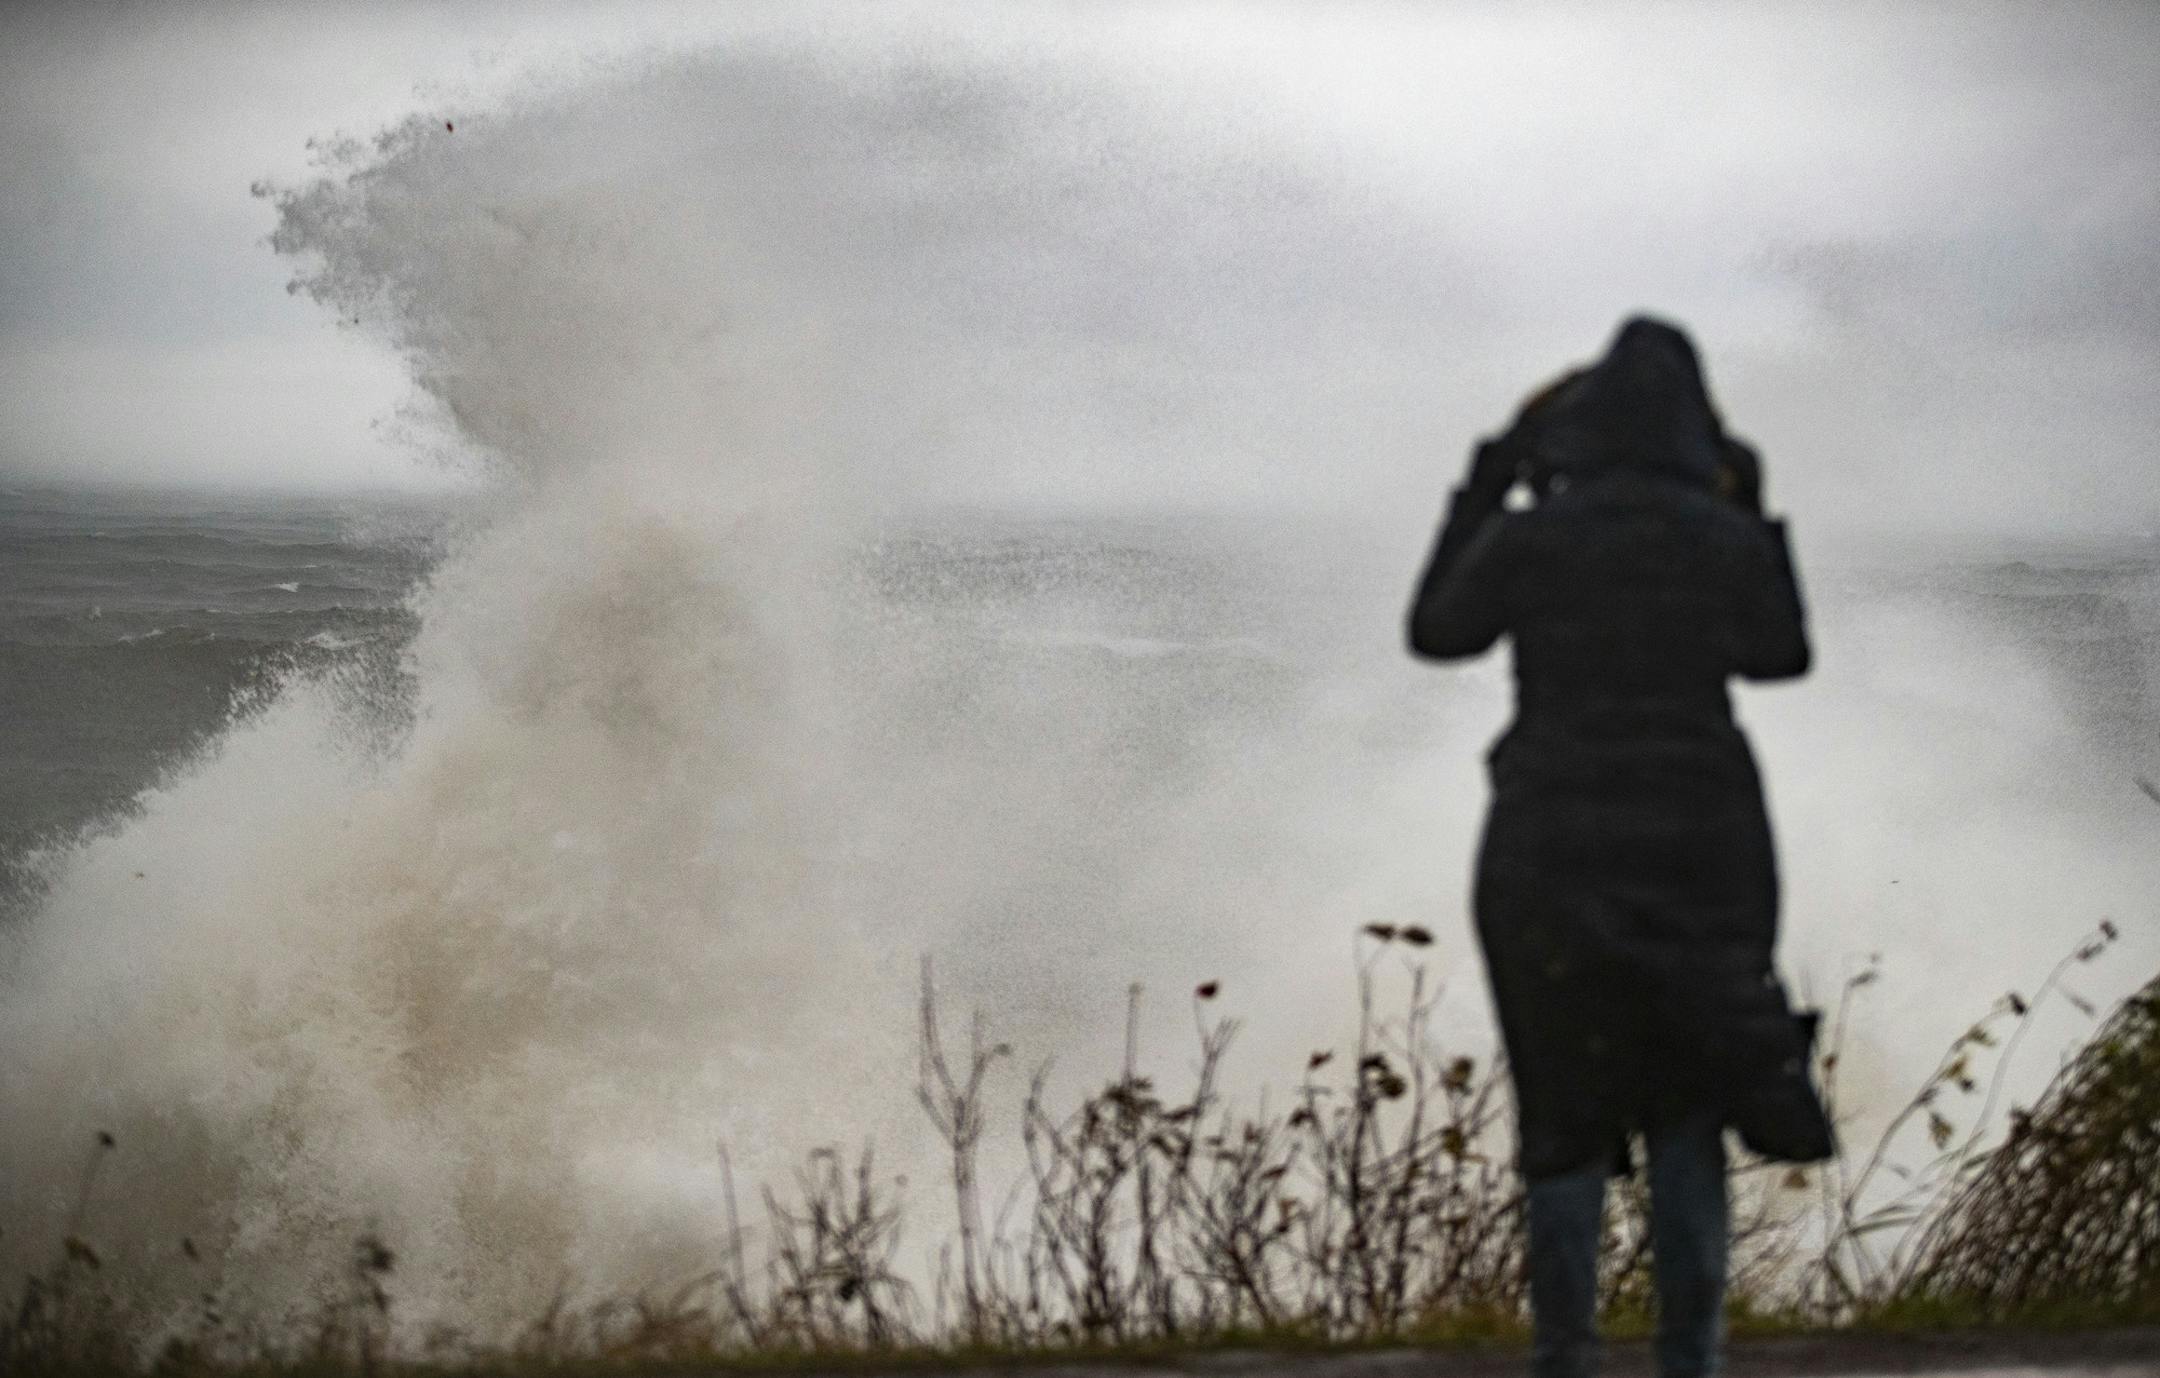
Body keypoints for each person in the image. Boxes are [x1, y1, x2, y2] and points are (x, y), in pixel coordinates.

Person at [1405, 317, 1812, 1378]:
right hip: (1705, 839)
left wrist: (1484, 485)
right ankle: (1693, 1360)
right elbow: (1779, 653)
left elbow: (1438, 631)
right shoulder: (1713, 530)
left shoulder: (1540, 534)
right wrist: (1749, 505)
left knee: (1561, 1103)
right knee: (1691, 1093)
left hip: (1551, 836)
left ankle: (1566, 1358)